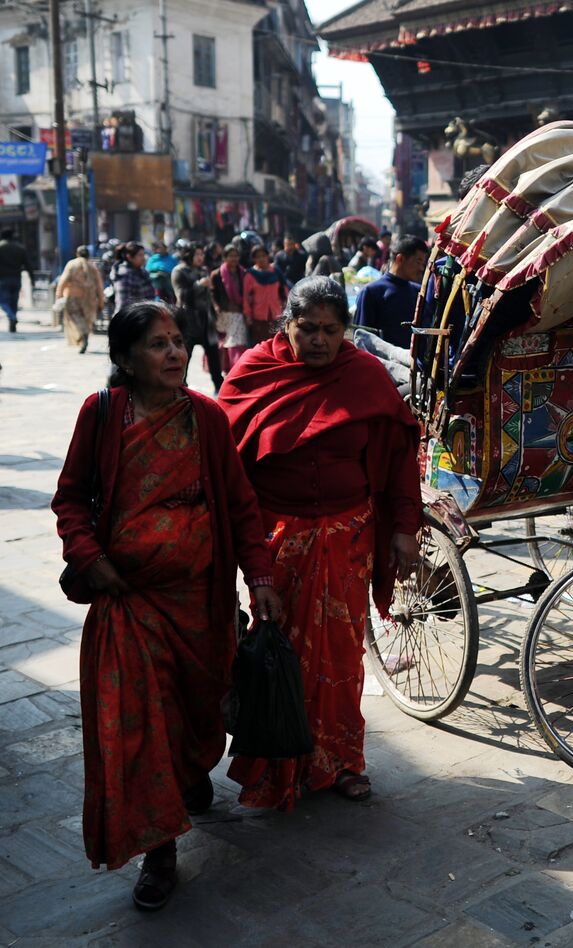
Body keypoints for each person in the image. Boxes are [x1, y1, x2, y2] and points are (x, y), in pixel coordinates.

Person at [52, 300, 283, 910]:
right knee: (136, 723)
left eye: (178, 341)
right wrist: (90, 556)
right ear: (126, 358)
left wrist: (258, 576)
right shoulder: (101, 415)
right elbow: (71, 497)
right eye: (158, 344)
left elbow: (239, 505)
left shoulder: (206, 418)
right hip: (128, 603)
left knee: (194, 713)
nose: (175, 353)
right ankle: (159, 851)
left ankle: (188, 775)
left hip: (201, 604)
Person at [220, 277, 420, 809]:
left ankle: (344, 762)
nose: (319, 340)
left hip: (350, 537)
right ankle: (278, 769)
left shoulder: (363, 374)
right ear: (286, 324)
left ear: (346, 332)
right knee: (279, 656)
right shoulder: (256, 372)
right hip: (278, 542)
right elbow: (225, 467)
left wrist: (404, 527)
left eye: (332, 330)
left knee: (341, 656)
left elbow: (399, 460)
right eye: (307, 328)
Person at [353, 235, 428, 350]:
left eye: (423, 264)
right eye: (418, 262)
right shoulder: (371, 292)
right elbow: (362, 340)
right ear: (400, 259)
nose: (421, 269)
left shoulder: (418, 292)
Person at [172, 244, 222, 392]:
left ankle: (219, 387)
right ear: (189, 255)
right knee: (184, 356)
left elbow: (208, 296)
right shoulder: (179, 271)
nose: (200, 258)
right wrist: (199, 285)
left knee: (214, 355)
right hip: (188, 321)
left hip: (206, 320)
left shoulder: (203, 270)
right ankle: (179, 388)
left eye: (201, 254)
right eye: (197, 254)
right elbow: (182, 296)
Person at [55, 245, 105, 353]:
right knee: (87, 318)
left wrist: (58, 294)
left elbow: (63, 280)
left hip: (73, 296)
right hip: (90, 298)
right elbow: (99, 286)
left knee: (75, 317)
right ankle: (84, 334)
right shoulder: (93, 267)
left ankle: (83, 333)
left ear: (77, 254)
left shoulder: (72, 264)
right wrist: (101, 301)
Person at [210, 244, 248, 371]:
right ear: (224, 258)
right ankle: (229, 369)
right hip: (224, 314)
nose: (234, 259)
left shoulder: (243, 273)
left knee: (236, 342)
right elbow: (212, 294)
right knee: (227, 343)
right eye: (231, 256)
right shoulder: (216, 274)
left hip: (239, 312)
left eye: (236, 256)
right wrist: (216, 307)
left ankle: (237, 369)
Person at [242, 245, 287, 347]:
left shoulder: (276, 271)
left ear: (268, 256)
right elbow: (246, 298)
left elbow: (284, 292)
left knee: (278, 345)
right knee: (262, 347)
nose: (261, 259)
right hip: (258, 317)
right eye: (257, 257)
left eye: (263, 255)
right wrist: (248, 316)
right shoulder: (250, 275)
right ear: (253, 259)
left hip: (277, 315)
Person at [0, 228, 31, 332]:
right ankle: (12, 323)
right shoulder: (20, 248)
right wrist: (32, 278)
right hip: (16, 278)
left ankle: (12, 317)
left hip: (3, 279)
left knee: (3, 301)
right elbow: (27, 264)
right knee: (14, 302)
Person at [112, 244, 156, 313]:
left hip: (144, 316)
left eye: (143, 254)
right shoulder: (125, 274)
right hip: (130, 318)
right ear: (129, 257)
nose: (143, 258)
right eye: (140, 255)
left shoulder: (142, 271)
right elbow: (124, 303)